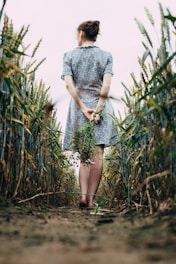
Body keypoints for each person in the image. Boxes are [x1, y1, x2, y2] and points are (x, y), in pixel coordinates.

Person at [61, 20, 118, 209]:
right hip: (100, 108)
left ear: (81, 34)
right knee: (98, 153)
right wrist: (98, 110)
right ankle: (92, 200)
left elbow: (69, 85)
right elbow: (107, 85)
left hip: (79, 109)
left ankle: (83, 196)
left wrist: (84, 109)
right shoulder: (106, 56)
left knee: (84, 154)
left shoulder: (69, 56)